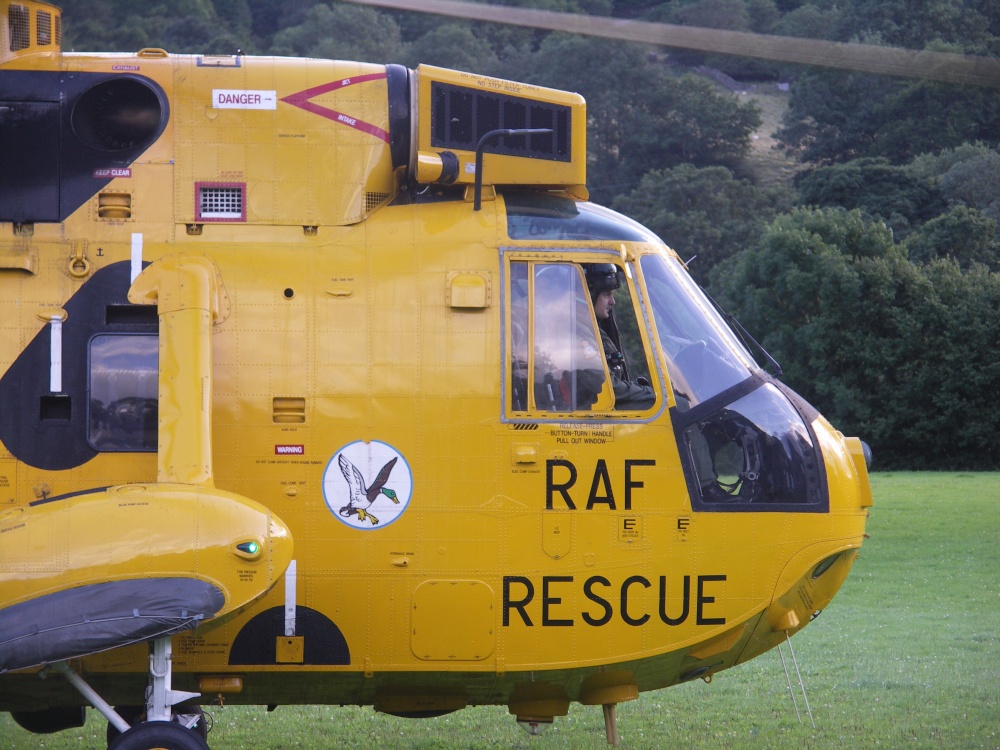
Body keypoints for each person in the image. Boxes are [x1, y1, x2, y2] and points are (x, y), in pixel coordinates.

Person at [584, 264, 655, 410]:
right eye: (606, 295)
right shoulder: (581, 336)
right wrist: (646, 392)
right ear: (589, 295)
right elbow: (608, 386)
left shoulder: (592, 329)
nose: (612, 301)